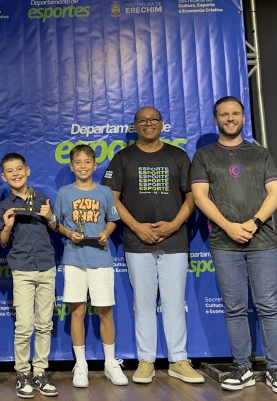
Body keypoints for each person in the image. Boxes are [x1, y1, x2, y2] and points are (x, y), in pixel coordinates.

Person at [190, 96, 277, 395]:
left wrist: (254, 222)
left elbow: (276, 192)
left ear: (243, 118)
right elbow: (200, 197)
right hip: (224, 242)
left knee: (268, 306)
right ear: (216, 119)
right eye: (224, 114)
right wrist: (229, 227)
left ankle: (275, 369)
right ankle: (243, 367)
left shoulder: (260, 154)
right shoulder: (204, 156)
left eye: (235, 113)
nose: (230, 118)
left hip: (263, 241)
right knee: (234, 307)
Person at [102, 106, 204, 385]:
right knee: (144, 303)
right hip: (137, 241)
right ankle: (146, 360)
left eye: (153, 120)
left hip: (175, 240)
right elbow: (111, 198)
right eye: (143, 121)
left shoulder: (178, 156)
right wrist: (137, 227)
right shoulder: (123, 158)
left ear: (162, 124)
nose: (148, 124)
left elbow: (192, 197)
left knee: (174, 303)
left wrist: (173, 225)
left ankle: (178, 360)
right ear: (135, 126)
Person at [53, 145, 128, 388]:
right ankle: (81, 364)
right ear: (71, 166)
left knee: (105, 311)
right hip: (74, 260)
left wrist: (106, 233)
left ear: (95, 166)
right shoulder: (64, 193)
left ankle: (110, 363)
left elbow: (112, 220)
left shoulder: (104, 191)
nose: (83, 166)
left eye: (87, 162)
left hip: (100, 259)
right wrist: (69, 233)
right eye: (78, 162)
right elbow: (56, 223)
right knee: (78, 311)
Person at [0, 153, 60, 398]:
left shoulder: (42, 198)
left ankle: (39, 372)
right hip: (22, 269)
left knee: (44, 325)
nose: (16, 174)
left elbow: (55, 226)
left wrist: (50, 216)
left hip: (46, 267)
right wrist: (8, 226)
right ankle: (22, 373)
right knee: (24, 326)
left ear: (27, 170)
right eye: (10, 171)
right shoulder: (5, 205)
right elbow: (1, 242)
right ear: (4, 177)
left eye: (19, 169)